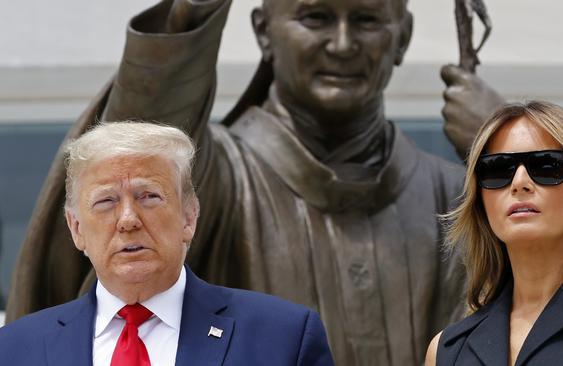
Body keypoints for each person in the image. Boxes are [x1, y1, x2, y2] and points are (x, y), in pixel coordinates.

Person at [8, 0, 503, 364]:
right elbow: (136, 144)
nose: (344, 43)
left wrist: (502, 150)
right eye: (315, 17)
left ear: (404, 36)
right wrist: (189, 20)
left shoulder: (455, 195)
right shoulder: (217, 170)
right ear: (264, 31)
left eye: (369, 19)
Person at [0, 122, 334, 366]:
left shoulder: (284, 338)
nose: (128, 219)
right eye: (106, 201)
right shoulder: (15, 350)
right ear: (76, 229)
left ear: (189, 218)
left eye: (148, 197)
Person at [425, 101, 563, 365]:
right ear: (481, 200)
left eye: (546, 166)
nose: (520, 183)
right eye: (498, 169)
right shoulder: (447, 351)